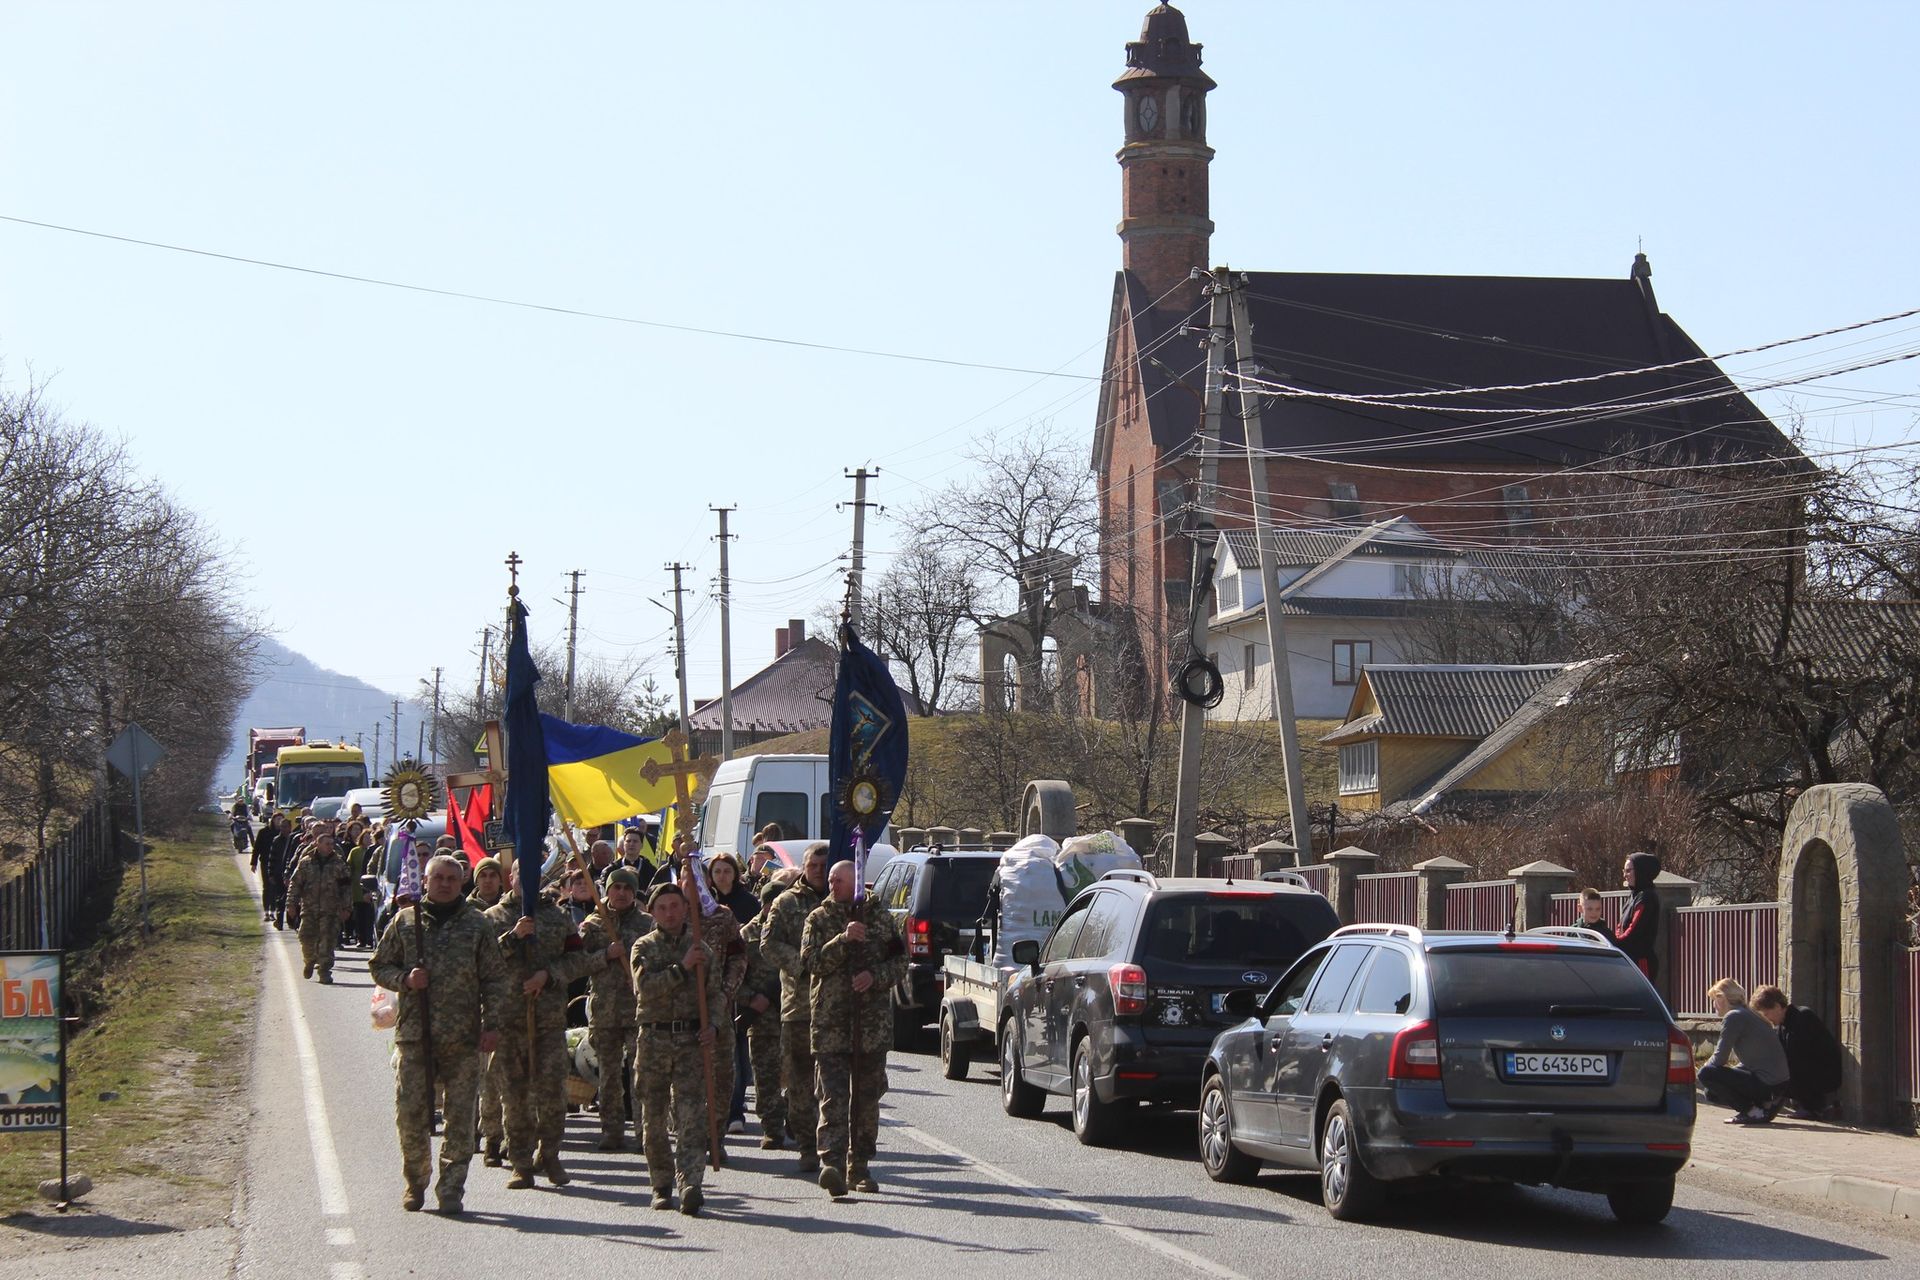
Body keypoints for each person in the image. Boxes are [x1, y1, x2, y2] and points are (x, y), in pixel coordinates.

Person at [370, 853, 509, 1214]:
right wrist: (404, 980)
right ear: (426, 882)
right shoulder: (405, 922)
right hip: (416, 1036)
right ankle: (416, 1181)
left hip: (463, 1038)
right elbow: (379, 965)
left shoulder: (478, 925)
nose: (445, 883)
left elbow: (494, 979)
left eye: (452, 878)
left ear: (461, 881)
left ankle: (451, 1189)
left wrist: (491, 1025)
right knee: (411, 1114)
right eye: (438, 878)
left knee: (460, 1118)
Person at [800, 860, 909, 1197]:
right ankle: (830, 1164)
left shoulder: (881, 919)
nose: (832, 885)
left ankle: (859, 1166)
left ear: (857, 883)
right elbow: (810, 962)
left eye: (839, 881)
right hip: (831, 1024)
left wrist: (875, 977)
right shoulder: (819, 919)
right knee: (833, 1098)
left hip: (871, 1026)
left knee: (866, 1099)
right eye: (830, 880)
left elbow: (900, 961)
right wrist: (841, 940)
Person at [484, 868, 589, 1188]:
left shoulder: (558, 917)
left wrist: (549, 974)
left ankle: (551, 1154)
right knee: (514, 1095)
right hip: (509, 1020)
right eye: (519, 873)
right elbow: (482, 962)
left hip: (547, 1020)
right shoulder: (492, 917)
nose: (525, 880)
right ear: (511, 878)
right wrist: (513, 937)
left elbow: (579, 960)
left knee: (553, 1092)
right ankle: (520, 1161)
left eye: (530, 874)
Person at [631, 882, 725, 1216]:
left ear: (686, 909)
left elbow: (715, 994)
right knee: (653, 1118)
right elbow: (646, 988)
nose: (670, 913)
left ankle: (690, 1183)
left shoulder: (701, 949)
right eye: (662, 908)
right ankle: (661, 1183)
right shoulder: (643, 947)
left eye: (675, 906)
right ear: (652, 913)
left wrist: (713, 1025)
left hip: (689, 1042)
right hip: (654, 1040)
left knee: (691, 1116)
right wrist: (681, 968)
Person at [760, 842, 831, 1174]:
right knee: (800, 1082)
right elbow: (768, 943)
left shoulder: (844, 902)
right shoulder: (786, 903)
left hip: (837, 1008)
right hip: (799, 1006)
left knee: (833, 1082)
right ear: (804, 868)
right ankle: (806, 1144)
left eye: (823, 865)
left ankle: (833, 1144)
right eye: (813, 865)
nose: (818, 870)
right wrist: (803, 964)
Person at [577, 868, 653, 1151]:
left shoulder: (647, 924)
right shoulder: (593, 924)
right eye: (616, 887)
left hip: (637, 1009)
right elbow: (576, 963)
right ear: (607, 890)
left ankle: (643, 1131)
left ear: (634, 893)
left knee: (640, 1073)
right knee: (608, 1075)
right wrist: (604, 956)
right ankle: (611, 1130)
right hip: (605, 1011)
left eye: (626, 888)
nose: (620, 893)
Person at [690, 860, 749, 1137]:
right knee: (689, 1079)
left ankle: (716, 1133)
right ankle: (692, 1136)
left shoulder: (723, 917)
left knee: (722, 1076)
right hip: (681, 1009)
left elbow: (738, 957)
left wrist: (726, 992)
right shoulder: (671, 913)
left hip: (718, 1008)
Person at [739, 869, 795, 1148]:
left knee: (799, 1076)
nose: (772, 909)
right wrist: (749, 998)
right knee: (765, 1078)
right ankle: (772, 1128)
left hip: (793, 1015)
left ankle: (796, 1122)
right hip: (760, 1019)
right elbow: (731, 977)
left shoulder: (795, 932)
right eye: (768, 903)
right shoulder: (745, 935)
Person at [708, 851, 760, 1132]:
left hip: (740, 985)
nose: (722, 877)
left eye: (726, 871)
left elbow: (753, 944)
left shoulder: (748, 903)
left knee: (738, 1052)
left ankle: (735, 1110)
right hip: (712, 986)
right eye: (717, 872)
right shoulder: (706, 903)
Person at [1699, 978, 1791, 1124]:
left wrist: (1699, 1072)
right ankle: (1763, 1107)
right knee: (1711, 1092)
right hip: (1779, 1084)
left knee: (1706, 1074)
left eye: (1714, 999)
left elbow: (1719, 1059)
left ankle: (1753, 1112)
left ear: (1722, 998)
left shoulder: (1733, 1017)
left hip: (1769, 1084)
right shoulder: (1748, 1013)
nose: (1713, 1004)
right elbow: (1754, 1058)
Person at [1752, 985, 1843, 1119]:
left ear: (1777, 1006)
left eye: (1766, 1013)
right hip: (1807, 1072)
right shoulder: (1782, 1025)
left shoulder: (1802, 1017)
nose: (1767, 1018)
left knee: (1780, 1074)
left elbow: (1797, 1055)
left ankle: (1814, 1107)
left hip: (1823, 1073)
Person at [287, 830, 355, 982]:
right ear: (317, 844)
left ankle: (324, 971)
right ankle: (310, 960)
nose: (330, 847)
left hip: (331, 909)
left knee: (328, 940)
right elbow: (295, 884)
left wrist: (347, 908)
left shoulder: (339, 864)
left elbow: (346, 888)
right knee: (305, 937)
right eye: (327, 844)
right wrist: (291, 904)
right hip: (309, 908)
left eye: (332, 844)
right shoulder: (305, 862)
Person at [1614, 851, 1663, 980]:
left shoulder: (1646, 897)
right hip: (1627, 958)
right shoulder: (1633, 895)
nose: (1625, 875)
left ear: (1641, 871)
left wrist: (1616, 942)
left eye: (1628, 871)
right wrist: (1615, 939)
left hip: (1641, 961)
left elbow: (1634, 928)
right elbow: (1621, 925)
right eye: (1624, 871)